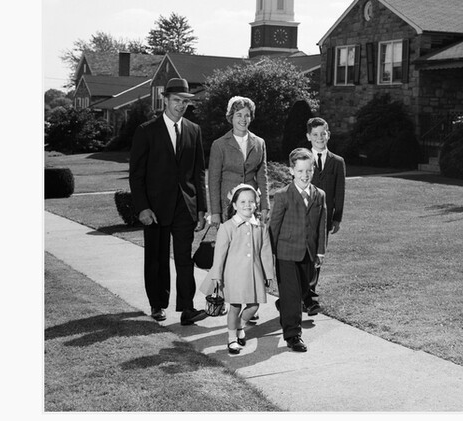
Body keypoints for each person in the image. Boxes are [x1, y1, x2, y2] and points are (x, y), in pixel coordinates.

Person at [129, 77, 209, 325]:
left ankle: (187, 308)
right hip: (155, 208)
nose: (181, 105)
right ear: (165, 100)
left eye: (185, 101)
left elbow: (198, 172)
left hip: (185, 207)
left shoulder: (194, 131)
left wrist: (202, 208)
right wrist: (142, 207)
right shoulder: (146, 131)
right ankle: (157, 304)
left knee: (184, 258)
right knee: (157, 258)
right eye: (176, 100)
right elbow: (137, 174)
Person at [200, 184, 275, 355]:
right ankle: (232, 338)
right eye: (242, 202)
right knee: (234, 306)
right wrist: (217, 275)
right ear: (234, 205)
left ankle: (240, 325)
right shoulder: (227, 227)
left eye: (251, 201)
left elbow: (265, 251)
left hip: (254, 273)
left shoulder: (261, 227)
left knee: (254, 305)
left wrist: (268, 273)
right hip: (233, 275)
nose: (247, 205)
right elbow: (219, 254)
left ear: (256, 203)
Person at [268, 148, 327, 353]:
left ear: (313, 170)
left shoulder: (319, 195)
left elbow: (321, 225)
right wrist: (269, 255)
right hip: (285, 253)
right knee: (292, 294)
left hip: (308, 253)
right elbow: (273, 227)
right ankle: (293, 335)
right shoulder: (283, 195)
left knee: (302, 291)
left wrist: (320, 251)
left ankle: (284, 303)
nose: (305, 175)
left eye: (308, 171)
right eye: (300, 171)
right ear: (292, 171)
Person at [303, 116, 346, 315]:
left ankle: (310, 294)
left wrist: (337, 218)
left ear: (328, 135)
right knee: (303, 255)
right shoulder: (302, 160)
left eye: (323, 134)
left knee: (318, 256)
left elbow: (339, 191)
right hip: (303, 217)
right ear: (308, 137)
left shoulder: (337, 162)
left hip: (325, 218)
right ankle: (303, 294)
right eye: (315, 135)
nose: (319, 137)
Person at [208, 96, 269, 227]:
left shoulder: (259, 143)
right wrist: (215, 212)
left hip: (251, 205)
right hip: (228, 206)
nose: (243, 119)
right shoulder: (219, 145)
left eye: (247, 115)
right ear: (231, 117)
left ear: (251, 118)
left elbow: (262, 177)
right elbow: (213, 180)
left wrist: (265, 206)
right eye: (239, 115)